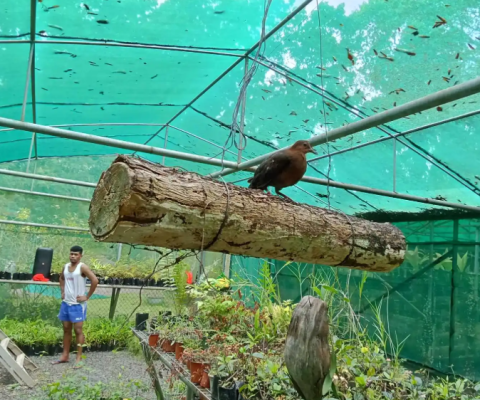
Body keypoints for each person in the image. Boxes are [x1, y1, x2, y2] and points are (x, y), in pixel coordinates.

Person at [52, 245, 98, 367]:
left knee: (78, 330)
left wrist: (87, 296)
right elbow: (61, 278)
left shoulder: (82, 267)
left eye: (76, 254)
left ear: (80, 255)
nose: (73, 256)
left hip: (78, 305)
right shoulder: (66, 267)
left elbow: (95, 280)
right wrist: (62, 291)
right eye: (71, 254)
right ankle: (65, 355)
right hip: (66, 303)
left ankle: (79, 358)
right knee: (66, 329)